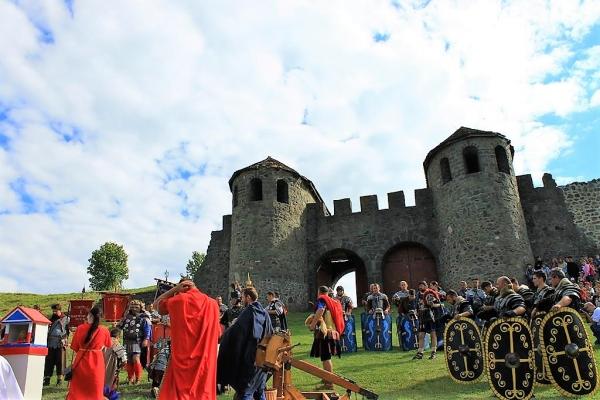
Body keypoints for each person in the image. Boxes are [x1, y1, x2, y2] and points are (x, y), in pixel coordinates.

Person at [153, 279, 219, 399]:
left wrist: (174, 290)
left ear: (181, 287)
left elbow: (157, 305)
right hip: (205, 358)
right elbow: (218, 333)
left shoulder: (178, 300)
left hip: (182, 357)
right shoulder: (213, 304)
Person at [218, 287, 273, 399]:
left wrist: (230, 329)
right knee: (259, 391)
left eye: (243, 297)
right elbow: (270, 334)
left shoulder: (248, 313)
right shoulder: (265, 313)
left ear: (248, 297)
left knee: (245, 392)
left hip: (250, 361)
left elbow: (236, 334)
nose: (241, 299)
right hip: (262, 360)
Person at [66, 306, 112, 400]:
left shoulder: (80, 328)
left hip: (81, 360)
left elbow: (75, 347)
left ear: (89, 315)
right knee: (95, 387)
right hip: (97, 361)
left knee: (78, 386)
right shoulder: (104, 330)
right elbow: (108, 345)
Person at [308, 286, 345, 390]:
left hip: (326, 333)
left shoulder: (322, 299)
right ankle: (326, 378)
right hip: (332, 332)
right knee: (325, 356)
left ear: (319, 292)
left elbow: (320, 309)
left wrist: (313, 324)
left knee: (326, 357)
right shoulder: (333, 301)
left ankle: (329, 383)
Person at [117, 299, 151, 384]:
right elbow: (119, 327)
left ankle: (138, 379)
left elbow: (148, 329)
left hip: (137, 341)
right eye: (132, 307)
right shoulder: (126, 316)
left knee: (136, 359)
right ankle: (130, 378)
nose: (134, 308)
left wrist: (146, 339)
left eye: (136, 306)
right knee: (128, 360)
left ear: (140, 307)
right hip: (127, 341)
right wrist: (116, 326)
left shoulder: (144, 317)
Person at [413, 281, 441, 360]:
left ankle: (433, 352)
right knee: (421, 335)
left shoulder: (430, 293)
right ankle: (420, 353)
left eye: (422, 285)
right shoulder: (418, 295)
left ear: (426, 286)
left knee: (433, 334)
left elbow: (439, 304)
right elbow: (417, 305)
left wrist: (432, 304)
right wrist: (416, 310)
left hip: (430, 316)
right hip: (422, 316)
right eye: (420, 286)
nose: (421, 287)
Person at [43, 303, 70, 386]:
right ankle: (47, 379)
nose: (54, 312)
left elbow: (68, 330)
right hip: (50, 342)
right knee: (49, 362)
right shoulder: (50, 319)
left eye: (56, 311)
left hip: (60, 343)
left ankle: (59, 380)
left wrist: (65, 340)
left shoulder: (66, 319)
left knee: (60, 362)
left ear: (60, 310)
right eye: (53, 311)